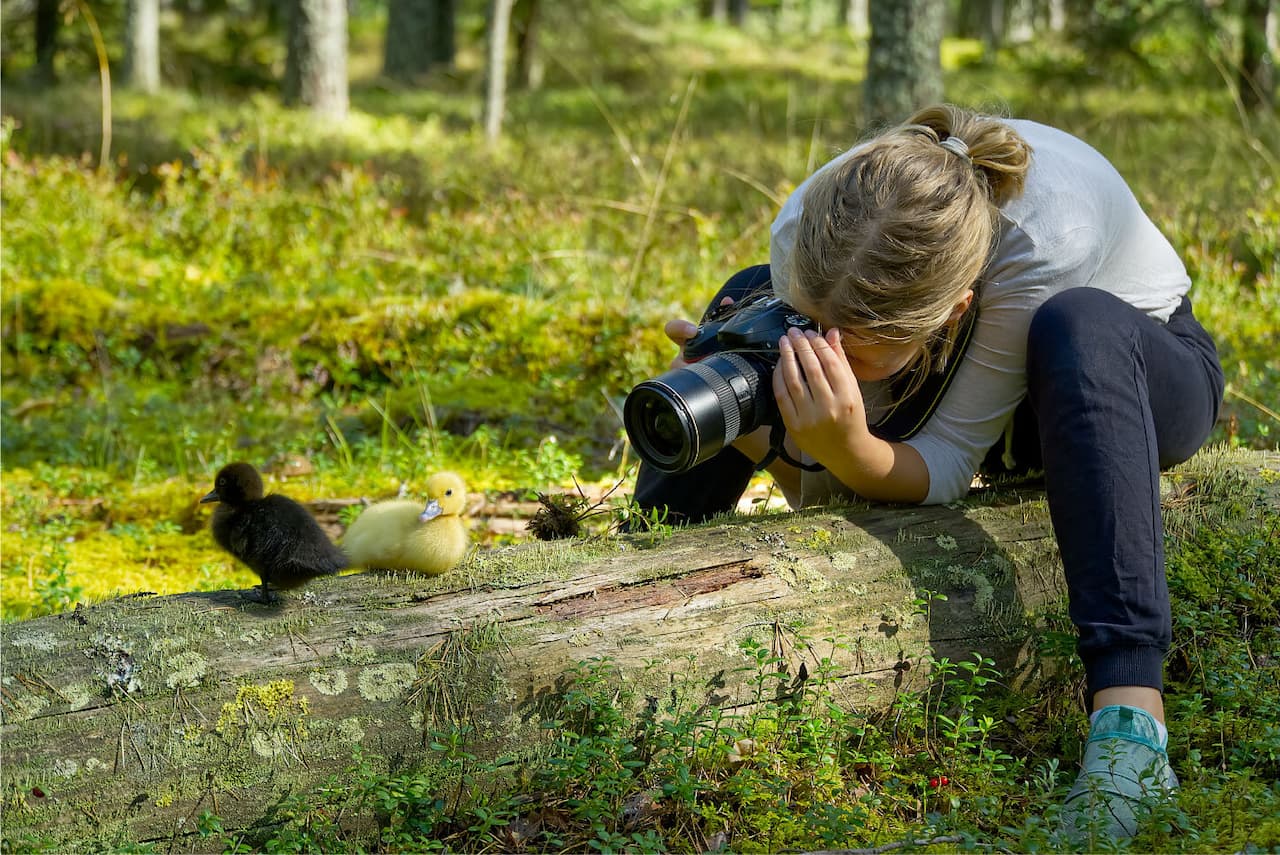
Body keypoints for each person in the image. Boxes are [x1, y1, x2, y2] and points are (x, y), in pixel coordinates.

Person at [633, 103, 1224, 839]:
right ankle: (631, 580)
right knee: (742, 297)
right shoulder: (811, 225)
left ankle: (1132, 733)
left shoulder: (1047, 240)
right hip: (935, 366)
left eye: (863, 350)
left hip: (1119, 382)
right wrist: (734, 372)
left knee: (1078, 326)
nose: (834, 356)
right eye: (819, 326)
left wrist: (844, 447)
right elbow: (823, 343)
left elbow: (946, 464)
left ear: (955, 310)